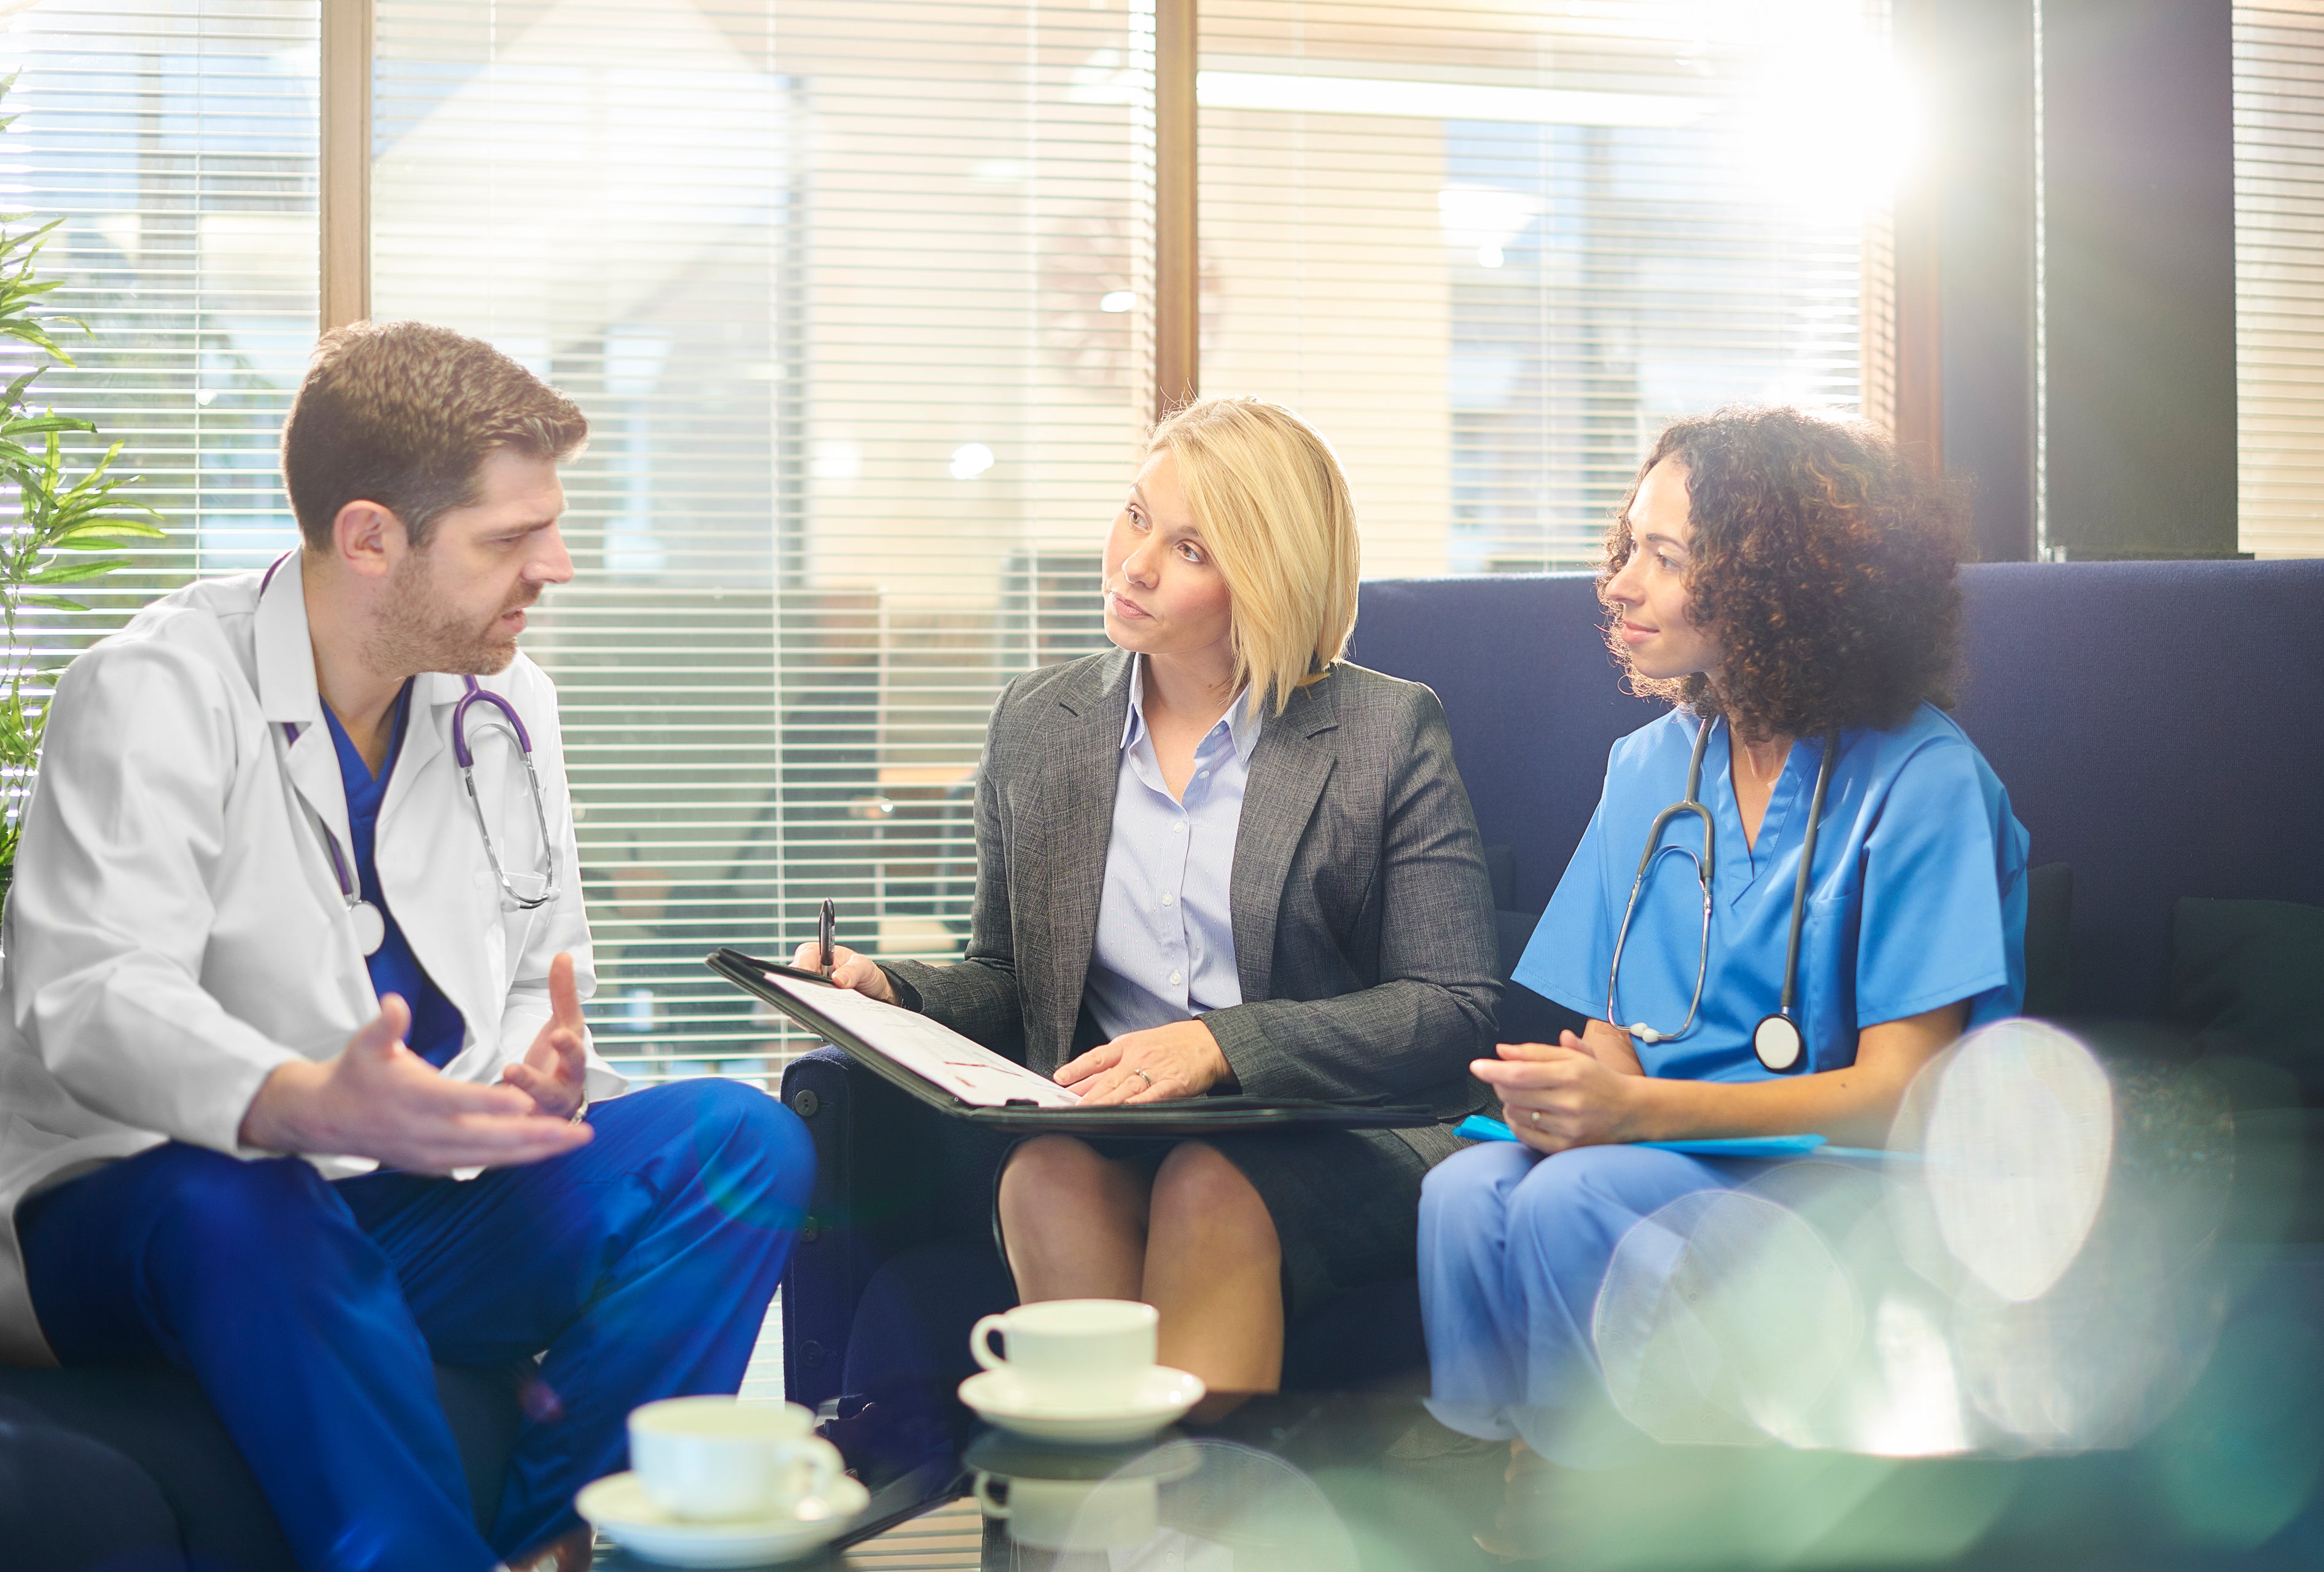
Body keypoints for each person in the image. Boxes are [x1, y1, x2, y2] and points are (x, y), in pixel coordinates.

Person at [0, 321, 813, 1572]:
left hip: (407, 1207)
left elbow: (550, 976)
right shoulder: (155, 688)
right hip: (159, 1217)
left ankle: (563, 1539)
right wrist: (296, 1097)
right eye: (510, 538)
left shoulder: (506, 700)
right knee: (246, 1189)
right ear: (371, 535)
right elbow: (92, 995)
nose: (559, 564)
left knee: (740, 1142)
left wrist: (533, 1084)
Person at [795, 396, 1501, 1391]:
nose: (1134, 564)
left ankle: (1193, 1525)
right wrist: (890, 991)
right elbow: (1011, 976)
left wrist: (1220, 1046)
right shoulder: (1041, 722)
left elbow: (1451, 1002)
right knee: (1043, 1174)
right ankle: (1096, 1530)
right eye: (1135, 516)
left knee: (1207, 1187)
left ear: (1266, 580)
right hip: (1109, 1127)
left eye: (1190, 549)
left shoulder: (1385, 732)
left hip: (1323, 1128)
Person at [1418, 405, 2029, 1467]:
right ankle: (1473, 1485)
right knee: (1462, 1193)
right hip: (1668, 1146)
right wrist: (1583, 1083)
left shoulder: (1925, 781)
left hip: (1851, 1179)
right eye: (1627, 546)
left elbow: (1902, 1096)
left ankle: (1586, 1505)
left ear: (1781, 585)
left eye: (1665, 557)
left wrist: (1640, 1110)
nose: (1619, 582)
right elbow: (1614, 1019)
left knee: (1573, 1196)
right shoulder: (1649, 767)